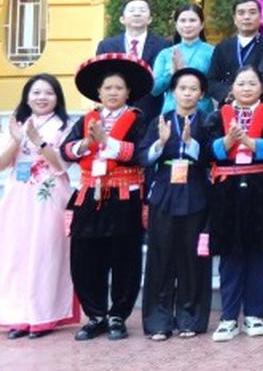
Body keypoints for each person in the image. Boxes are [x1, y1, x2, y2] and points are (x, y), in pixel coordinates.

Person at [63, 53, 153, 341]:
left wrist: (106, 142)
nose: (113, 92)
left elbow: (141, 154)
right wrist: (87, 143)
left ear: (128, 92)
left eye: (119, 88)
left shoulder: (139, 120)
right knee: (85, 256)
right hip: (89, 194)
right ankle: (95, 315)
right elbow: (66, 150)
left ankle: (118, 315)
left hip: (124, 195)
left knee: (125, 257)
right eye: (107, 88)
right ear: (98, 92)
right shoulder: (86, 120)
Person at [202, 66, 263, 342]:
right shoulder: (217, 116)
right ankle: (228, 317)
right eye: (241, 83)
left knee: (260, 253)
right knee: (230, 255)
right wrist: (228, 141)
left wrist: (248, 141)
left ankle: (255, 315)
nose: (246, 88)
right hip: (227, 192)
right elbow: (206, 152)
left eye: (252, 83)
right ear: (232, 88)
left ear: (261, 87)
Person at [137, 67, 212, 340]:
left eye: (194, 89)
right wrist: (160, 143)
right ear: (172, 92)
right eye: (182, 88)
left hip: (195, 190)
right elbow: (143, 157)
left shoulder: (208, 122)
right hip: (165, 190)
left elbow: (213, 157)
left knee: (193, 258)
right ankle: (158, 321)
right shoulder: (160, 120)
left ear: (201, 94)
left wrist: (191, 144)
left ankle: (190, 317)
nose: (188, 93)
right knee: (161, 255)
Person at [0, 73, 75, 338]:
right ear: (27, 97)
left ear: (57, 98)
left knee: (46, 253)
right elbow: (2, 163)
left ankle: (44, 315)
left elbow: (62, 164)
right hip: (18, 196)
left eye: (48, 93)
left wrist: (38, 141)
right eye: (36, 92)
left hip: (50, 195)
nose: (42, 97)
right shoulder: (16, 123)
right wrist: (17, 138)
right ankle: (17, 316)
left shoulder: (65, 126)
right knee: (16, 253)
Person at [97, 0, 171, 116]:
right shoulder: (106, 46)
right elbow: (100, 78)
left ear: (150, 19)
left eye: (142, 10)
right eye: (132, 10)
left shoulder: (163, 45)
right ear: (122, 19)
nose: (137, 14)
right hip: (115, 111)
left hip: (151, 111)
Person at [151, 3, 215, 115]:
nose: (187, 25)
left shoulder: (212, 52)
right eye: (182, 21)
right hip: (170, 114)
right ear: (176, 25)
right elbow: (154, 90)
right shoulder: (165, 54)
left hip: (202, 114)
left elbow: (215, 86)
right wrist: (171, 73)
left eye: (192, 20)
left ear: (202, 24)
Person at [208, 0, 263, 106]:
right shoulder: (223, 47)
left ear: (260, 17)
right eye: (241, 13)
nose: (247, 17)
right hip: (229, 106)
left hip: (262, 106)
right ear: (234, 19)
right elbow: (212, 81)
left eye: (252, 13)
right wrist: (228, 93)